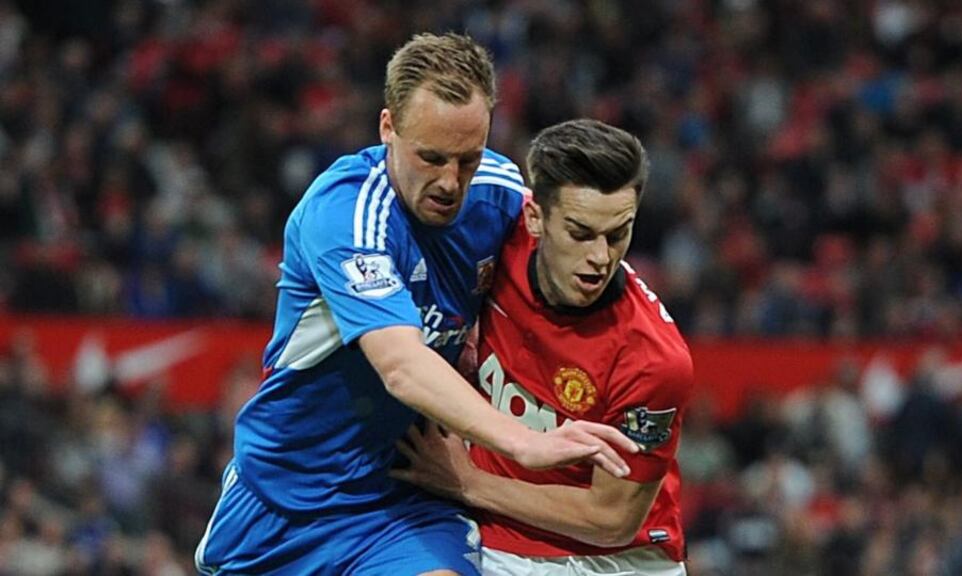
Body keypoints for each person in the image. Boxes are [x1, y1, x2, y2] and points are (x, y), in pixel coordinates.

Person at [194, 34, 637, 576]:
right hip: (285, 502)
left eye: (468, 158)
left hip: (405, 499)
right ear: (388, 129)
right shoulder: (346, 215)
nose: (451, 182)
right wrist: (522, 442)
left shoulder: (499, 195)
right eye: (431, 157)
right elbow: (401, 365)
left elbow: (575, 259)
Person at [392, 119, 694, 575]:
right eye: (580, 232)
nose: (600, 257)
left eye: (618, 235)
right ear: (535, 217)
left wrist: (467, 482)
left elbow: (611, 520)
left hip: (615, 560)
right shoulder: (498, 236)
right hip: (494, 535)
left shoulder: (654, 358)